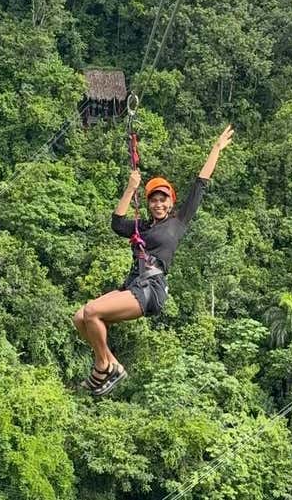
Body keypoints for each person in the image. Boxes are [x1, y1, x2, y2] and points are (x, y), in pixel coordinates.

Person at [72, 125, 235, 396]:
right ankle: (111, 363)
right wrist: (130, 188)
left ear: (171, 203)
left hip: (150, 289)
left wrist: (215, 149)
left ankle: (103, 365)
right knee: (80, 318)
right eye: (154, 200)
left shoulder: (178, 223)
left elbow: (200, 184)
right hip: (132, 285)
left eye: (164, 200)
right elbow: (116, 223)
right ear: (149, 204)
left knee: (91, 312)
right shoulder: (141, 228)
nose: (159, 204)